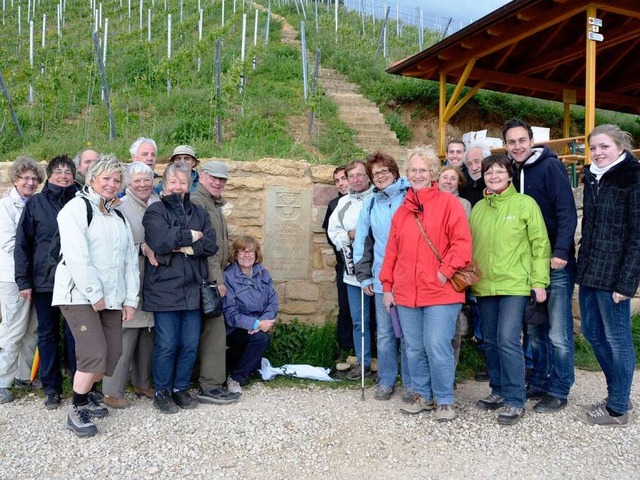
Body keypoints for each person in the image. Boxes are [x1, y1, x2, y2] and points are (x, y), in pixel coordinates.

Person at [380, 147, 472, 422]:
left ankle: (444, 399)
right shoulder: (402, 211)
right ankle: (422, 394)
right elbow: (392, 252)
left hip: (441, 291)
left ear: (433, 173)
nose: (417, 174)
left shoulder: (448, 203)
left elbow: (462, 244)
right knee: (414, 348)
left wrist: (444, 271)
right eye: (413, 170)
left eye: (423, 170)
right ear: (407, 175)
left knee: (437, 345)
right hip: (407, 291)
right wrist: (387, 286)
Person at [53, 155, 140, 437]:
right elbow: (76, 256)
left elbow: (129, 260)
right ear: (92, 179)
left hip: (112, 298)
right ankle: (77, 409)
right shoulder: (76, 209)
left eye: (117, 180)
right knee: (93, 353)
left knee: (111, 356)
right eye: (106, 179)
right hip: (79, 295)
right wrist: (93, 292)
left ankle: (88, 392)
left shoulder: (117, 215)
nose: (112, 184)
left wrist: (130, 299)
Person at [503, 118, 578, 414]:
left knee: (558, 331)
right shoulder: (511, 172)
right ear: (506, 145)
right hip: (528, 265)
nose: (518, 146)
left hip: (555, 263)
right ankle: (539, 380)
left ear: (531, 141)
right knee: (535, 329)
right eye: (512, 142)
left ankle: (559, 388)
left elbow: (566, 211)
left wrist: (560, 250)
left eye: (522, 140)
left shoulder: (550, 166)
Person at [471, 154, 550, 426]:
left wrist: (539, 281)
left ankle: (515, 399)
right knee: (490, 340)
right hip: (484, 285)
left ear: (509, 174)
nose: (493, 176)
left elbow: (540, 244)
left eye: (499, 172)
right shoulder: (479, 208)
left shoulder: (525, 204)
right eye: (488, 172)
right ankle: (499, 390)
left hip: (515, 283)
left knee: (507, 339)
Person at [575, 124, 640, 427]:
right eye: (593, 148)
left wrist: (627, 283)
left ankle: (617, 410)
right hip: (590, 270)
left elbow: (638, 235)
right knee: (591, 331)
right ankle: (619, 393)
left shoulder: (633, 177)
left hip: (614, 275)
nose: (598, 153)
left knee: (618, 339)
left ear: (621, 147)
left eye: (604, 147)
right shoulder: (593, 177)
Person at [142, 163, 218, 414]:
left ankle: (180, 389)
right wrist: (190, 237)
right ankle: (162, 391)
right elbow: (160, 241)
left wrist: (183, 244)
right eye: (172, 182)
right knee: (167, 343)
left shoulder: (198, 211)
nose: (177, 186)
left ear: (189, 184)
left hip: (193, 288)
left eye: (182, 182)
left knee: (189, 344)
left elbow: (210, 245)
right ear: (164, 185)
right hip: (164, 289)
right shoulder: (155, 211)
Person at [14, 155, 79, 410]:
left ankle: (79, 385)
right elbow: (23, 244)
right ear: (50, 176)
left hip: (75, 280)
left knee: (75, 335)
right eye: (58, 171)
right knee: (48, 334)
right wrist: (24, 281)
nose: (63, 176)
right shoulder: (36, 204)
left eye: (68, 172)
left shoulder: (80, 201)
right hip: (44, 280)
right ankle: (51, 387)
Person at [353, 152, 412, 401]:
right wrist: (364, 276)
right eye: (375, 173)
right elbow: (362, 241)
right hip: (380, 278)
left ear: (395, 171)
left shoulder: (411, 196)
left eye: (384, 170)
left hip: (411, 278)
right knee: (386, 334)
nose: (380, 176)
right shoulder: (371, 204)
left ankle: (412, 384)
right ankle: (387, 381)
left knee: (410, 334)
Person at [102, 162, 160, 409]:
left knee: (148, 334)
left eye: (147, 180)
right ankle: (111, 390)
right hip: (130, 278)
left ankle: (142, 382)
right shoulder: (121, 207)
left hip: (155, 280)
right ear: (128, 184)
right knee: (125, 336)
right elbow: (113, 243)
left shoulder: (157, 203)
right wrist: (141, 247)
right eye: (137, 180)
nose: (143, 184)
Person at [191, 161, 241, 405]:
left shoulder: (212, 203)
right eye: (213, 178)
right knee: (214, 330)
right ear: (202, 176)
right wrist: (217, 280)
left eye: (222, 179)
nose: (218, 182)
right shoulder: (199, 202)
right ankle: (209, 386)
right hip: (206, 277)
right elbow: (207, 249)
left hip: (209, 275)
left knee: (203, 330)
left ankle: (203, 381)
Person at [0, 157, 45, 404]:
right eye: (25, 178)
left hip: (35, 277)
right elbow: (8, 244)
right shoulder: (6, 207)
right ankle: (2, 380)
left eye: (34, 179)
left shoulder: (35, 203)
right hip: (12, 278)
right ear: (15, 179)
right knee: (13, 329)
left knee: (32, 329)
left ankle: (24, 376)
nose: (30, 182)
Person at [327, 160, 375, 381]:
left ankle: (387, 363)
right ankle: (363, 361)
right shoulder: (343, 203)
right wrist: (349, 235)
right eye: (351, 176)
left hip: (380, 268)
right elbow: (333, 231)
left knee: (384, 321)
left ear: (368, 176)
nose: (355, 180)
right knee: (359, 319)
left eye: (360, 175)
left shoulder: (378, 197)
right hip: (353, 272)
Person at [223, 236, 278, 394]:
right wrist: (254, 324)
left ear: (256, 254)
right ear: (235, 254)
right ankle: (236, 378)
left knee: (258, 344)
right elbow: (230, 313)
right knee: (261, 339)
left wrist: (262, 321)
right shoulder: (228, 276)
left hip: (258, 323)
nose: (247, 255)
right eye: (242, 251)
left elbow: (272, 302)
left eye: (251, 251)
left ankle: (238, 366)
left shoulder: (262, 273)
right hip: (235, 327)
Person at [438, 165, 472, 372]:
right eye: (445, 177)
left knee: (454, 324)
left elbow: (461, 237)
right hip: (431, 269)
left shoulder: (464, 204)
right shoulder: (426, 201)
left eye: (453, 178)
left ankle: (450, 369)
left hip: (455, 270)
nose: (449, 181)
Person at [322, 166, 354, 355]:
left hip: (365, 264)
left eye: (344, 178)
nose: (341, 183)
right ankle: (345, 349)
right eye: (337, 180)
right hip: (344, 264)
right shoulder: (334, 205)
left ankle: (369, 351)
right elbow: (330, 236)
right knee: (345, 307)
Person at [460, 143, 489, 207]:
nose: (474, 168)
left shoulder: (496, 186)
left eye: (477, 161)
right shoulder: (464, 189)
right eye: (469, 164)